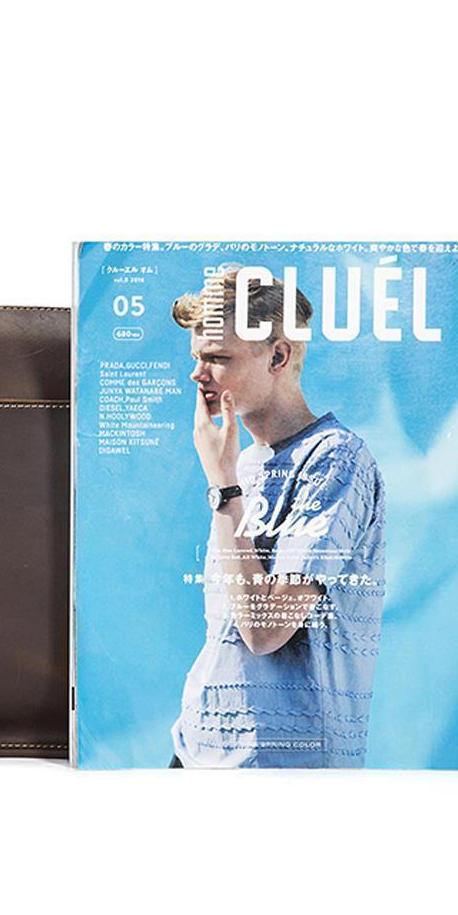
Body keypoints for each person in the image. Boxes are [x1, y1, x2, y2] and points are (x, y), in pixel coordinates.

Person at [169, 268, 386, 768]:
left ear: (279, 356)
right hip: (197, 749)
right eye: (196, 357)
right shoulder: (242, 462)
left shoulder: (336, 459)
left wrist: (224, 487)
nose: (198, 374)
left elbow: (264, 632)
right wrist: (228, 480)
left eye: (218, 358)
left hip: (284, 764)